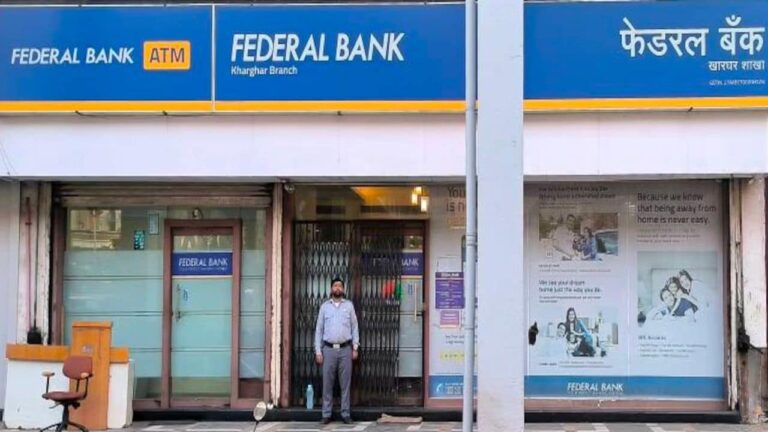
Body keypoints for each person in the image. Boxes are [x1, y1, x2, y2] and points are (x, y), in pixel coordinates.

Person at [314, 278, 360, 425]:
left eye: (340, 286)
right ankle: (326, 414)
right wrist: (318, 351)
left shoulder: (349, 306)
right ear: (331, 289)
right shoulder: (324, 307)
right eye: (335, 286)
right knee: (327, 383)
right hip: (328, 350)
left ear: (343, 289)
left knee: (345, 384)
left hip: (346, 350)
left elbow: (355, 327)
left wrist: (355, 347)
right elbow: (319, 330)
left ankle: (345, 413)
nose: (337, 288)